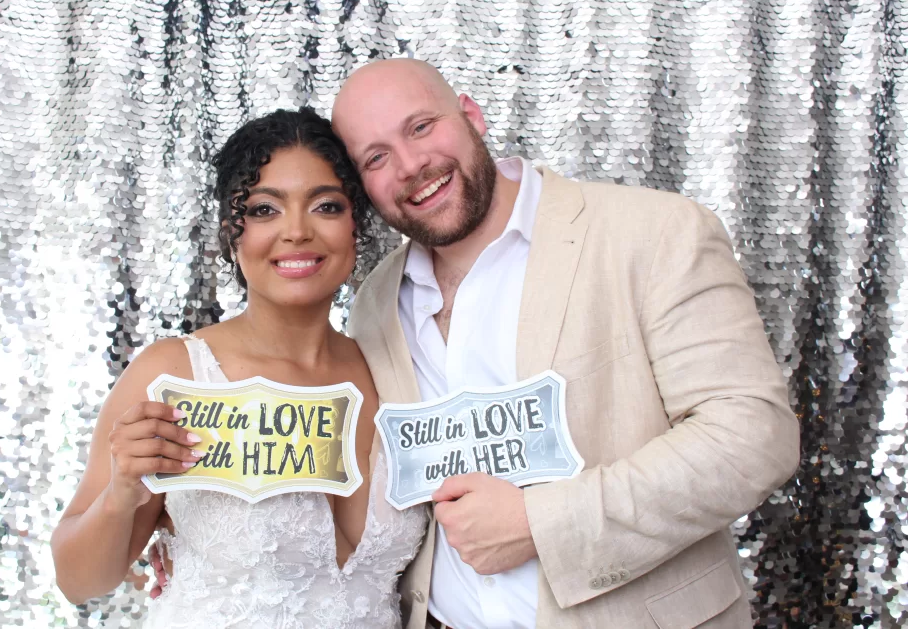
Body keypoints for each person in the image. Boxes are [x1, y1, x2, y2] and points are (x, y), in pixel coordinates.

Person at [148, 59, 800, 628]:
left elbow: (754, 435)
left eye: (421, 127)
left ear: (470, 114)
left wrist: (543, 523)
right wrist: (209, 541)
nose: (412, 166)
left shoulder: (651, 233)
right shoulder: (376, 300)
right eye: (376, 158)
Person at [50, 108, 428, 628]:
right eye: (265, 209)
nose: (297, 231)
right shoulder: (177, 373)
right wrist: (121, 495)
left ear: (354, 224)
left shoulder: (396, 370)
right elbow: (78, 581)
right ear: (232, 232)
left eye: (325, 205)